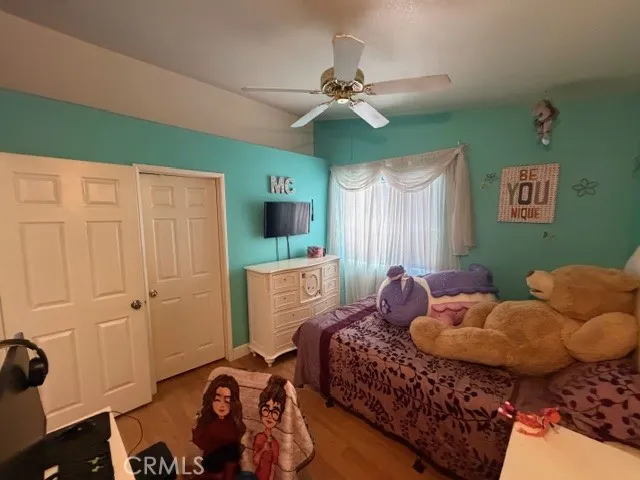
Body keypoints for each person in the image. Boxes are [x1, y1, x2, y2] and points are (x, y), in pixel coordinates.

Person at [193, 374, 247, 480]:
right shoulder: (208, 420)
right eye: (217, 399)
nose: (221, 405)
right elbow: (200, 442)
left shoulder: (233, 426)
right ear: (211, 400)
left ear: (233, 403)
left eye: (227, 401)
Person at [252, 375, 287, 480]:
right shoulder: (259, 438)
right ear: (261, 411)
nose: (270, 416)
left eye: (275, 412)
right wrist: (263, 449)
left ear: (279, 417)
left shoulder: (276, 444)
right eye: (266, 410)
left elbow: (273, 467)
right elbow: (255, 461)